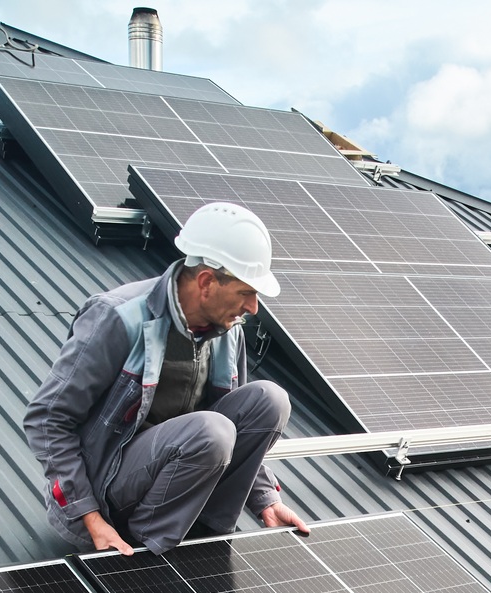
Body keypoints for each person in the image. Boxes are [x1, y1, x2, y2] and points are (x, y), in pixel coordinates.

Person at [25, 201, 310, 555]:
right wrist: (90, 516)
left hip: (181, 469)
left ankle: (208, 527)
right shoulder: (118, 318)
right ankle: (153, 552)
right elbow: (48, 418)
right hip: (110, 486)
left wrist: (265, 498)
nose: (253, 307)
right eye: (245, 292)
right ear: (206, 282)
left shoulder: (228, 331)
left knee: (270, 400)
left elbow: (242, 431)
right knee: (212, 431)